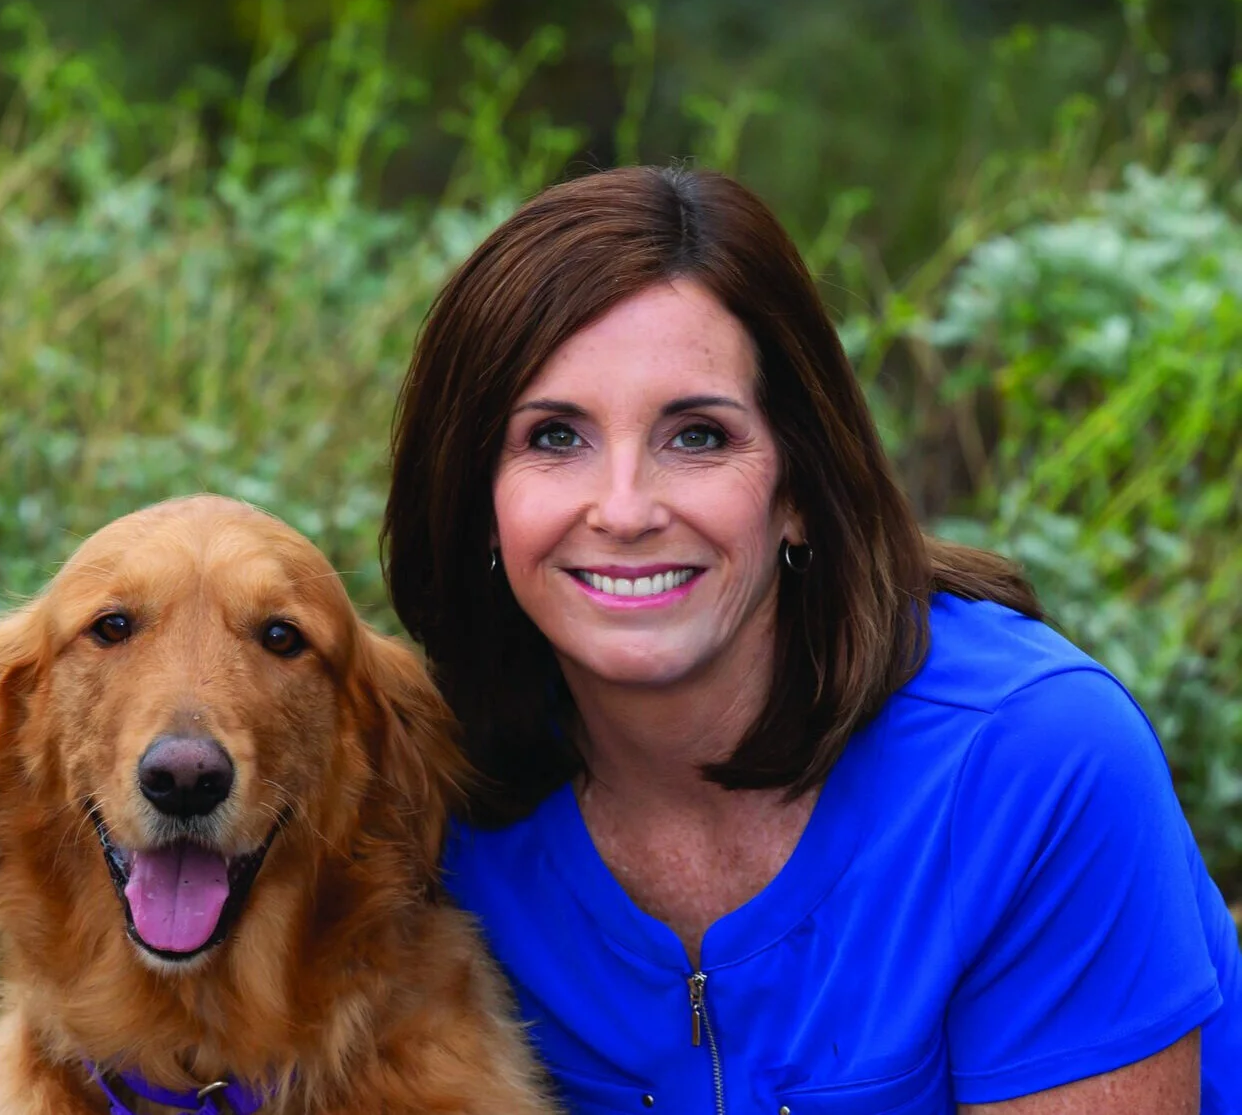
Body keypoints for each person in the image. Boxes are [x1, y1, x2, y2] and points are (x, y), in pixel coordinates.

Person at [381, 165, 1241, 1113]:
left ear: (797, 489)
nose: (624, 509)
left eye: (698, 436)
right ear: (475, 500)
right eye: (553, 437)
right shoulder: (428, 799)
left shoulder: (1028, 763)